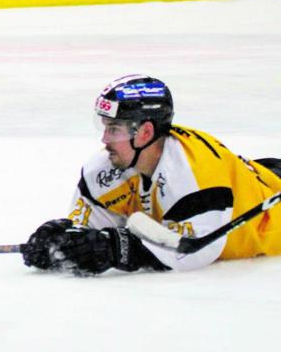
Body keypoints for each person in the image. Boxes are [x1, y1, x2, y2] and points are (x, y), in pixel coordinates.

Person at [22, 74, 281, 277]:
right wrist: (61, 241)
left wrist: (120, 249)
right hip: (258, 175)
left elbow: (194, 250)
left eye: (114, 129)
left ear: (145, 132)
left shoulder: (195, 174)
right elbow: (89, 232)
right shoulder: (106, 169)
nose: (104, 139)